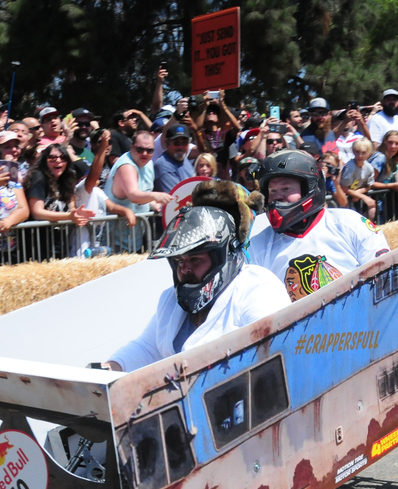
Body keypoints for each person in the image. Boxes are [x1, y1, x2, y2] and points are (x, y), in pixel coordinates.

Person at [106, 181, 290, 372]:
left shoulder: (257, 286)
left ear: (223, 256)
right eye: (179, 261)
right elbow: (147, 348)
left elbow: (274, 347)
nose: (185, 269)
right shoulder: (170, 300)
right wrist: (109, 368)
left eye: (195, 260)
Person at [250, 149, 389, 302]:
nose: (278, 197)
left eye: (286, 188)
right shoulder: (259, 242)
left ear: (310, 188)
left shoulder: (349, 223)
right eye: (272, 190)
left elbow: (384, 276)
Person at [69, 130, 136, 257]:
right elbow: (94, 174)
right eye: (87, 176)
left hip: (97, 250)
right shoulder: (80, 190)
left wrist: (127, 211)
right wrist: (103, 147)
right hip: (81, 253)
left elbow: (111, 207)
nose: (95, 179)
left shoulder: (96, 191)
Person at [104, 129, 172, 251]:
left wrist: (154, 205)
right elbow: (134, 195)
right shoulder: (127, 166)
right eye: (140, 149)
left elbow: (143, 194)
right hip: (115, 243)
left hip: (134, 241)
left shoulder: (148, 164)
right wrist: (155, 196)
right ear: (131, 147)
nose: (145, 154)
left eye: (150, 150)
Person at [340, 137, 378, 219]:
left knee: (372, 209)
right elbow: (344, 188)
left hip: (356, 199)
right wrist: (363, 196)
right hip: (344, 201)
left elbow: (369, 185)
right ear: (353, 151)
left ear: (369, 153)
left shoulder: (369, 167)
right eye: (357, 152)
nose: (360, 156)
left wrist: (359, 192)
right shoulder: (350, 166)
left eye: (364, 153)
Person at [153, 125, 195, 192]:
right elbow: (177, 197)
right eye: (176, 143)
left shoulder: (183, 158)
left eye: (184, 143)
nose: (181, 146)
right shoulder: (163, 165)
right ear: (167, 143)